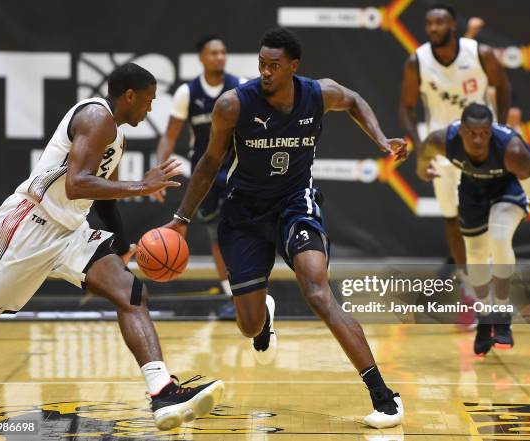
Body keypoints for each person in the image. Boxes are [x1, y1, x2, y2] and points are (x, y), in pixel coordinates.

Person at [164, 27, 408, 428]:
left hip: (296, 205)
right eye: (261, 64)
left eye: (274, 66)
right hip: (243, 214)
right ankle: (264, 323)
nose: (265, 72)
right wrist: (181, 219)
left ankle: (385, 397)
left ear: (294, 66)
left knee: (317, 290)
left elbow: (355, 100)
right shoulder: (233, 105)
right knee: (249, 325)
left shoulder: (318, 93)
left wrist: (381, 140)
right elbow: (209, 163)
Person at [0, 63, 224, 430]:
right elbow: (77, 184)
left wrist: (120, 246)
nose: (150, 110)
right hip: (31, 225)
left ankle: (162, 391)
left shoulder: (115, 136)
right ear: (130, 96)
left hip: (71, 231)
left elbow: (102, 200)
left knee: (131, 294)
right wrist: (142, 186)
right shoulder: (95, 117)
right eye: (148, 101)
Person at [418, 103, 530, 355]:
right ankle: (484, 316)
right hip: (472, 188)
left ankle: (502, 312)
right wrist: (422, 169)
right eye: (471, 133)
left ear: (491, 131)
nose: (477, 139)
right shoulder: (443, 140)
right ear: (461, 132)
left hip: (509, 188)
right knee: (476, 255)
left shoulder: (513, 151)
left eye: (484, 133)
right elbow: (425, 151)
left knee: (499, 236)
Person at [399, 4, 511, 327]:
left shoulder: (480, 54)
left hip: (480, 147)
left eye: (440, 22)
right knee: (452, 219)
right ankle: (470, 290)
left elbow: (503, 87)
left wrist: (500, 132)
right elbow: (405, 108)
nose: (433, 28)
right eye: (429, 23)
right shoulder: (417, 61)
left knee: (487, 221)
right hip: (443, 149)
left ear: (453, 26)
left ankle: (493, 290)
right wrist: (421, 150)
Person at [156, 36, 242, 316]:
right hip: (204, 173)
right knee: (216, 235)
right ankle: (232, 297)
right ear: (202, 58)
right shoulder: (188, 92)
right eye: (213, 52)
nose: (219, 57)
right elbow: (169, 136)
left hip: (235, 170)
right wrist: (159, 171)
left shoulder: (238, 86)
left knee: (239, 232)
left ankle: (248, 290)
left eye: (223, 52)